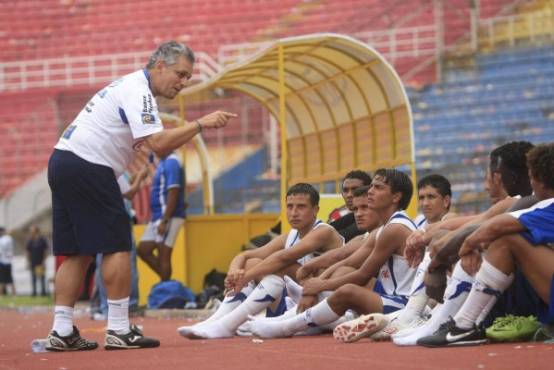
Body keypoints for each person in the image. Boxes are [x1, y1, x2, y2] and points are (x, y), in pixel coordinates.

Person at [45, 40, 237, 351]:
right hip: (89, 165)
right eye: (181, 74)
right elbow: (159, 144)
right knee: (119, 245)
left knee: (77, 251)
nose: (184, 82)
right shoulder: (139, 91)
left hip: (63, 161)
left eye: (188, 77)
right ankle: (119, 329)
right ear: (159, 66)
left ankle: (62, 329)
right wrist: (201, 124)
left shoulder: (129, 87)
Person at [249, 168, 417, 340]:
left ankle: (286, 326)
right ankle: (306, 319)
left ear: (396, 197)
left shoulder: (395, 229)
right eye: (371, 186)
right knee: (343, 272)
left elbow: (362, 275)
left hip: (403, 302)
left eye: (378, 188)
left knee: (348, 291)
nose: (371, 191)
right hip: (388, 294)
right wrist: (318, 282)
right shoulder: (385, 228)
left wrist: (320, 286)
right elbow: (348, 260)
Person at [417, 143, 554, 347]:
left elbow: (496, 225)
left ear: (538, 180)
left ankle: (463, 325)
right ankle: (460, 323)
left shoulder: (536, 204)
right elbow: (483, 222)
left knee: (506, 239)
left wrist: (466, 246)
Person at [178, 183, 345, 339]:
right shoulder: (291, 235)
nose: (294, 212)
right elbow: (245, 255)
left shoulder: (324, 232)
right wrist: (234, 272)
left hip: (322, 302)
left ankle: (227, 325)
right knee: (252, 263)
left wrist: (245, 277)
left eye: (301, 207)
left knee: (279, 266)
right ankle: (216, 320)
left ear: (315, 209)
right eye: (290, 206)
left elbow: (283, 258)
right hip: (295, 301)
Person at [92, 167, 149, 320]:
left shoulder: (103, 166)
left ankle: (105, 305)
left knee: (102, 263)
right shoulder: (112, 165)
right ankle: (127, 305)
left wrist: (134, 178)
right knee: (125, 263)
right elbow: (129, 193)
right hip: (118, 219)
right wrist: (141, 177)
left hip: (102, 218)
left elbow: (123, 186)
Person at [138, 151, 186, 281]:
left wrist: (165, 220)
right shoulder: (163, 162)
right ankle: (167, 285)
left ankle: (165, 289)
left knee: (163, 255)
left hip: (167, 216)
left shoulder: (172, 161)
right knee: (143, 250)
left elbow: (173, 191)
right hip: (157, 215)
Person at [327, 170, 372, 242]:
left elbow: (342, 236)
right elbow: (327, 228)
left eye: (355, 189)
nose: (349, 195)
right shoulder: (351, 217)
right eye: (345, 190)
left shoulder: (374, 218)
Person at [26, 226, 50, 296]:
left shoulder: (42, 240)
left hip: (40, 262)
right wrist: (28, 261)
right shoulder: (30, 240)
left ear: (36, 231)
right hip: (33, 262)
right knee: (33, 278)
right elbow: (28, 252)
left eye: (32, 231)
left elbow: (46, 251)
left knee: (41, 277)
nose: (31, 233)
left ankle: (43, 292)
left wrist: (44, 260)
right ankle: (34, 292)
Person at [0, 227, 16, 295]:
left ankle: (1, 294)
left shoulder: (4, 239)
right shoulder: (9, 238)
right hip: (7, 261)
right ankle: (13, 294)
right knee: (9, 279)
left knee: (3, 280)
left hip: (4, 261)